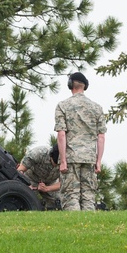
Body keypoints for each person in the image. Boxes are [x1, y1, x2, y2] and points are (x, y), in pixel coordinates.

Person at [54, 72, 107, 211]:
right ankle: (88, 227)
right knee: (88, 196)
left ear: (70, 85)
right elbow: (101, 136)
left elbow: (61, 134)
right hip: (89, 158)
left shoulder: (63, 106)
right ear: (85, 86)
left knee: (71, 195)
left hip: (71, 157)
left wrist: (63, 160)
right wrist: (99, 160)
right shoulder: (97, 108)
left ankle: (73, 228)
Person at [17, 144, 61, 209]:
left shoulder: (68, 160)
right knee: (28, 201)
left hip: (51, 183)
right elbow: (19, 171)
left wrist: (47, 188)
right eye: (54, 163)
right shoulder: (37, 153)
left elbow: (63, 183)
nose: (55, 166)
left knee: (59, 201)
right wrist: (26, 185)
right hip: (30, 179)